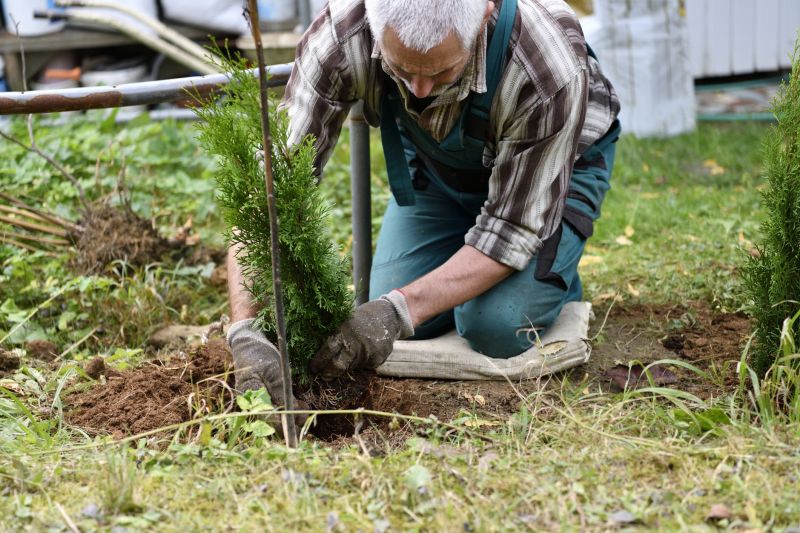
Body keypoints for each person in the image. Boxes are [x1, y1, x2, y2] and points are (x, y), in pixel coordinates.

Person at [227, 0, 620, 405]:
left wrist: (398, 311)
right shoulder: (342, 33)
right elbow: (270, 191)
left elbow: (512, 229)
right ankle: (478, 256)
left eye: (441, 71)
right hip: (440, 169)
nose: (419, 91)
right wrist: (245, 332)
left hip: (552, 174)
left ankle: (550, 274)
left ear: (484, 16)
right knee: (394, 299)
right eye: (400, 69)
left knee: (494, 326)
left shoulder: (545, 67)